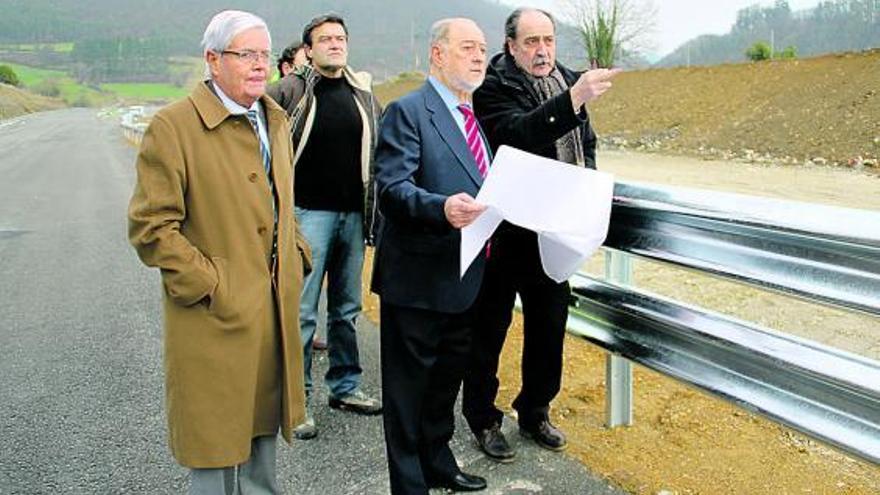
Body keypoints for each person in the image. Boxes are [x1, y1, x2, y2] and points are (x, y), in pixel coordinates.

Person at [128, 10, 312, 494]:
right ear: (212, 59)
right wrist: (214, 284)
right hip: (214, 316)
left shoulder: (273, 119)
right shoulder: (173, 128)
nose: (259, 65)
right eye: (245, 54)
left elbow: (282, 204)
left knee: (261, 443)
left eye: (264, 55)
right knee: (213, 450)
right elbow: (151, 228)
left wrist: (297, 255)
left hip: (271, 313)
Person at [462, 7, 620, 463]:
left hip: (555, 229)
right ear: (510, 47)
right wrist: (571, 99)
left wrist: (586, 185)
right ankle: (482, 416)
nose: (542, 50)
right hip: (506, 230)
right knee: (490, 328)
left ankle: (535, 409)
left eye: (548, 40)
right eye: (531, 42)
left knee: (550, 327)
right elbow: (516, 134)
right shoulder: (492, 88)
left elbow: (585, 142)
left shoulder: (567, 81)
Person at [372, 17, 492, 495]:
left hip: (465, 276)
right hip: (418, 279)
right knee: (407, 393)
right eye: (468, 48)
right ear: (437, 55)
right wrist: (440, 207)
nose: (479, 56)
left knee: (445, 384)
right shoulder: (408, 111)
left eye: (482, 49)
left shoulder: (472, 115)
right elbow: (393, 189)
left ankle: (439, 462)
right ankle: (409, 482)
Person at [266, 13, 383, 440]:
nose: (335, 44)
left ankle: (345, 386)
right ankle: (296, 403)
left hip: (354, 217)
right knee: (301, 312)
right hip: (306, 216)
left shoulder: (364, 95)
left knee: (347, 310)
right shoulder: (288, 92)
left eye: (340, 38)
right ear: (309, 50)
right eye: (325, 39)